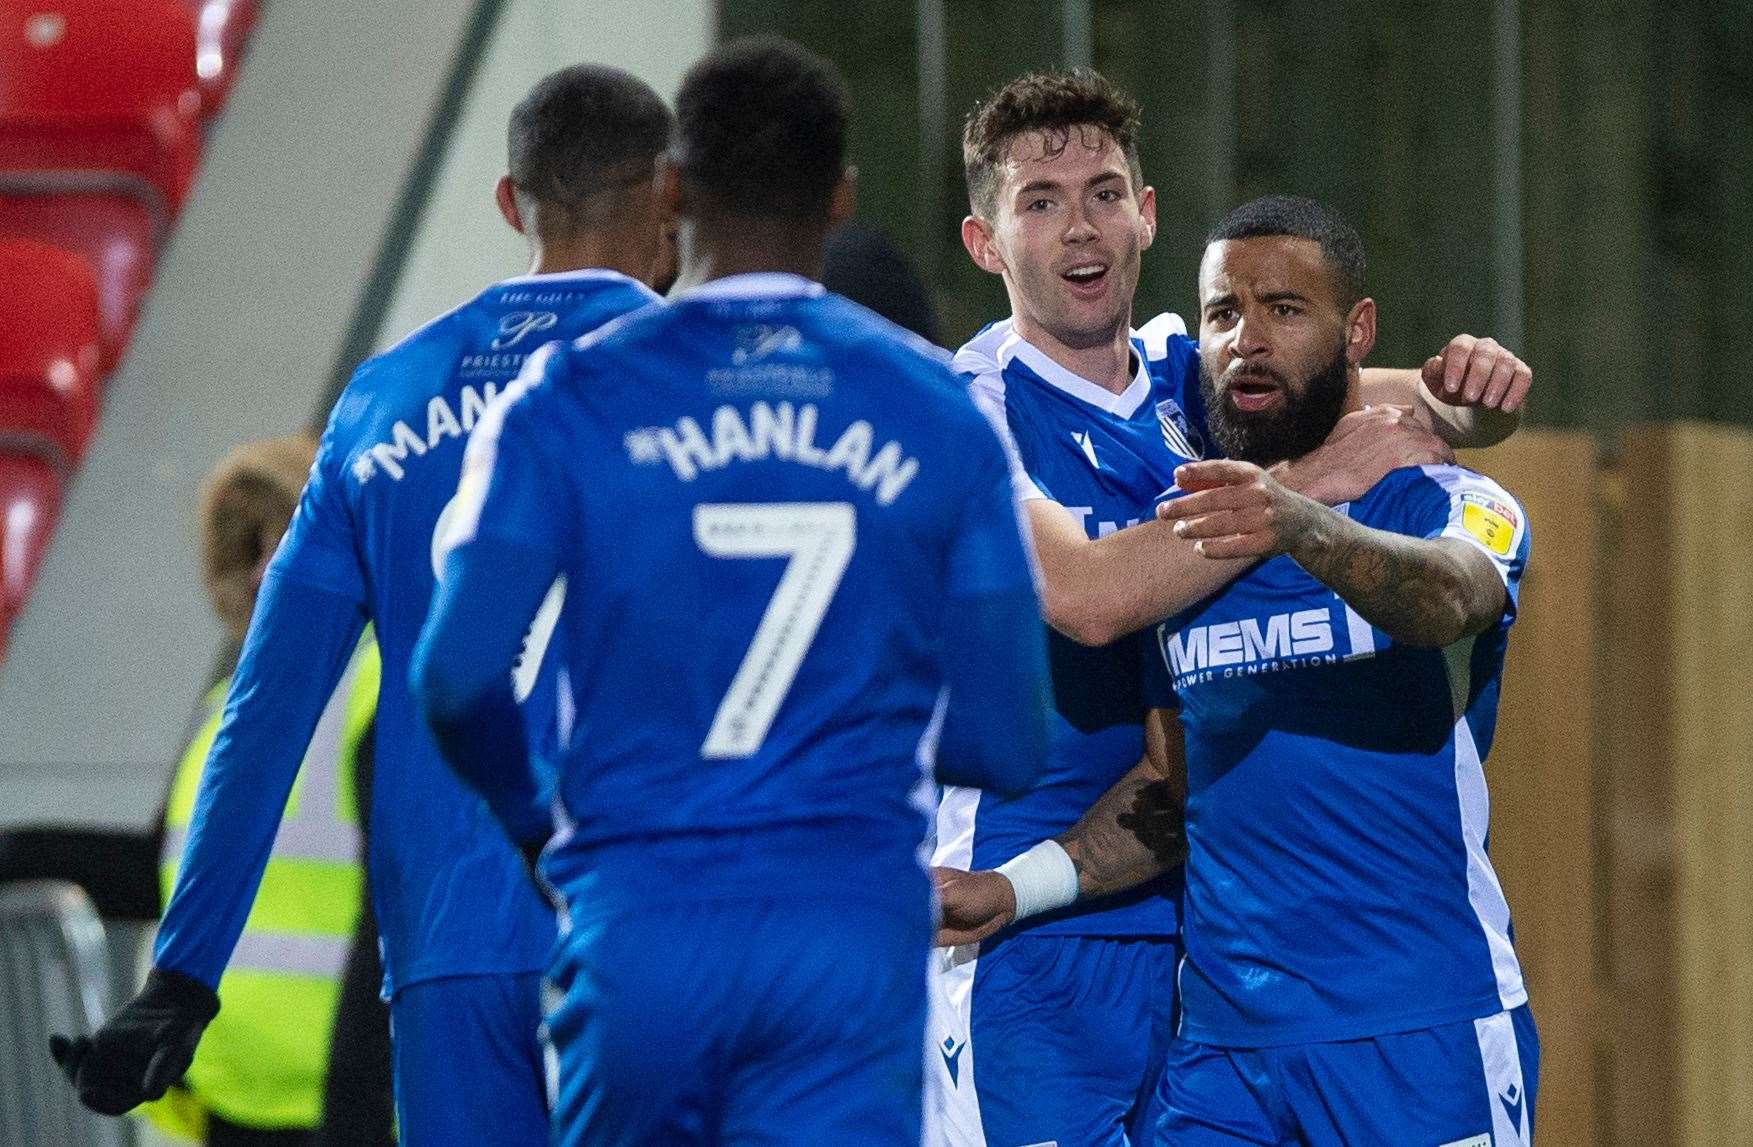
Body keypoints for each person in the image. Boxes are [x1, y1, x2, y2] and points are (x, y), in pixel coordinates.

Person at [411, 36, 1051, 1147]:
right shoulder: (938, 411)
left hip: (639, 917)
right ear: (842, 199)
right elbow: (1005, 736)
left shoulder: (564, 398)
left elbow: (457, 675)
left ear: (670, 185)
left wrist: (538, 831)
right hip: (847, 935)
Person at [51, 65, 677, 1145]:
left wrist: (185, 975)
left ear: (506, 202)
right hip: (665, 937)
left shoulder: (382, 404)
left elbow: (265, 710)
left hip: (446, 960)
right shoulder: (715, 385)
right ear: (669, 196)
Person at [932, 68, 1533, 1147]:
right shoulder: (968, 407)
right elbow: (1089, 595)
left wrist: (1469, 393)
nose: (1081, 227)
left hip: (1199, 928)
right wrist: (1299, 494)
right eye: (1040, 200)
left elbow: (1374, 398)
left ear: (1146, 214)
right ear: (985, 243)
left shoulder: (1190, 368)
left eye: (1104, 192)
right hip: (1033, 944)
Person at [143, 433, 382, 1147]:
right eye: (249, 550)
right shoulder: (227, 705)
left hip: (339, 1112)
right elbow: (157, 869)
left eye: (280, 544)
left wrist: (356, 1109)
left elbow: (396, 912)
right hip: (227, 1103)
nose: (258, 574)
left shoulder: (378, 689)